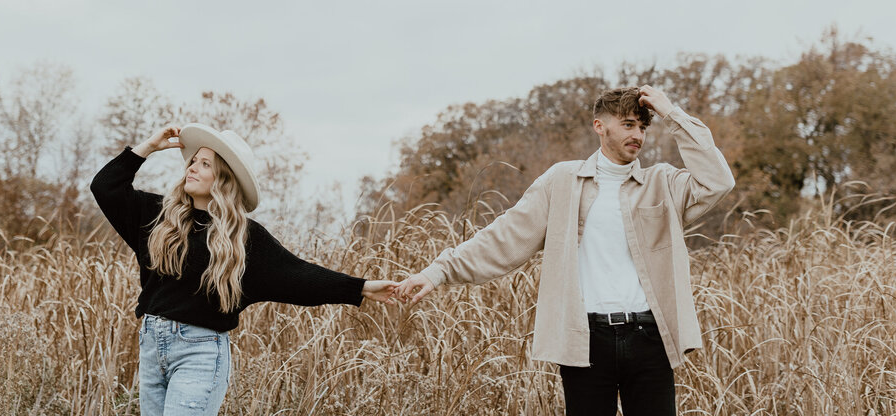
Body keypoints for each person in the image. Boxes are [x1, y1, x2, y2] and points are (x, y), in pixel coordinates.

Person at [395, 85, 735, 416]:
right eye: (629, 124)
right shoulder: (562, 182)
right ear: (600, 126)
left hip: (650, 338)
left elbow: (718, 181)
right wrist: (438, 271)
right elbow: (504, 237)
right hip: (585, 341)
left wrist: (671, 113)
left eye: (643, 127)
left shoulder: (664, 183)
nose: (639, 135)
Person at [92, 123, 396, 416]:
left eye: (205, 164)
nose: (192, 167)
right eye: (193, 161)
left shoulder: (243, 239)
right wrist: (147, 147)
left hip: (199, 354)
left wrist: (361, 287)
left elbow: (300, 277)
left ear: (224, 178)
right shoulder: (159, 218)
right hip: (151, 346)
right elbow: (105, 187)